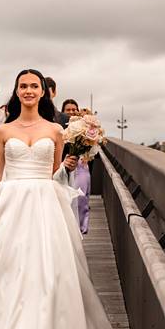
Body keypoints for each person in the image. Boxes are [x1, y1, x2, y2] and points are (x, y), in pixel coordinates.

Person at [0, 69, 131, 329]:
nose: (28, 90)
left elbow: (57, 176)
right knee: (7, 269)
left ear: (42, 92)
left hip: (45, 204)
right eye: (23, 86)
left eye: (33, 86)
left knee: (47, 271)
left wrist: (69, 168)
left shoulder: (55, 130)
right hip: (9, 203)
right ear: (17, 91)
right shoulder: (3, 131)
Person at [62, 100, 91, 234]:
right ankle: (67, 226)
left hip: (80, 165)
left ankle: (81, 227)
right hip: (64, 165)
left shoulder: (85, 128)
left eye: (74, 109)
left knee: (81, 196)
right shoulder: (59, 127)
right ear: (63, 111)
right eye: (68, 110)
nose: (71, 112)